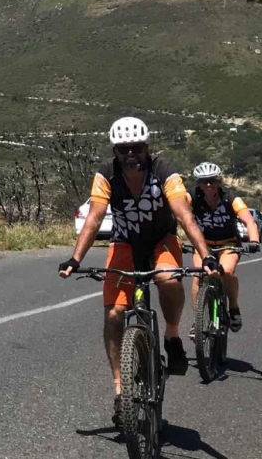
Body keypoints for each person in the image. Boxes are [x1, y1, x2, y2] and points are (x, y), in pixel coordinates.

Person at [59, 117, 219, 428]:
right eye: (123, 149)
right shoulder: (106, 173)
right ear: (115, 151)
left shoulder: (164, 170)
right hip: (125, 242)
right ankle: (121, 390)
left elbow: (184, 215)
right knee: (114, 313)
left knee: (167, 278)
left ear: (147, 148)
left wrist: (206, 255)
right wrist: (75, 259)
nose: (130, 154)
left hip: (162, 240)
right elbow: (95, 217)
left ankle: (172, 335)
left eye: (136, 148)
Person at [188, 162, 260, 331]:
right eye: (204, 181)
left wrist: (254, 241)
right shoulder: (192, 196)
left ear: (219, 181)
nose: (208, 185)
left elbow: (249, 221)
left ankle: (233, 307)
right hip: (203, 244)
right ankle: (198, 320)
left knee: (226, 272)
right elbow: (178, 211)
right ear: (198, 183)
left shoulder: (230, 197)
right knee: (198, 275)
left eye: (212, 180)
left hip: (228, 243)